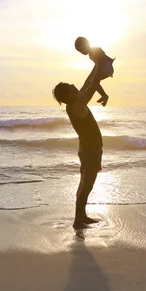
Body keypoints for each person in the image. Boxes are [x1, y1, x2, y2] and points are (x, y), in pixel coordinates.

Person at [52, 63, 108, 228]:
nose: (74, 85)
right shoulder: (77, 106)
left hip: (89, 150)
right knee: (87, 184)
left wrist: (97, 64)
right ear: (68, 96)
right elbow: (92, 83)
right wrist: (99, 63)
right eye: (71, 87)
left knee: (86, 183)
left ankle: (81, 216)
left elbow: (89, 80)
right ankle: (78, 219)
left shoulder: (75, 103)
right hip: (90, 151)